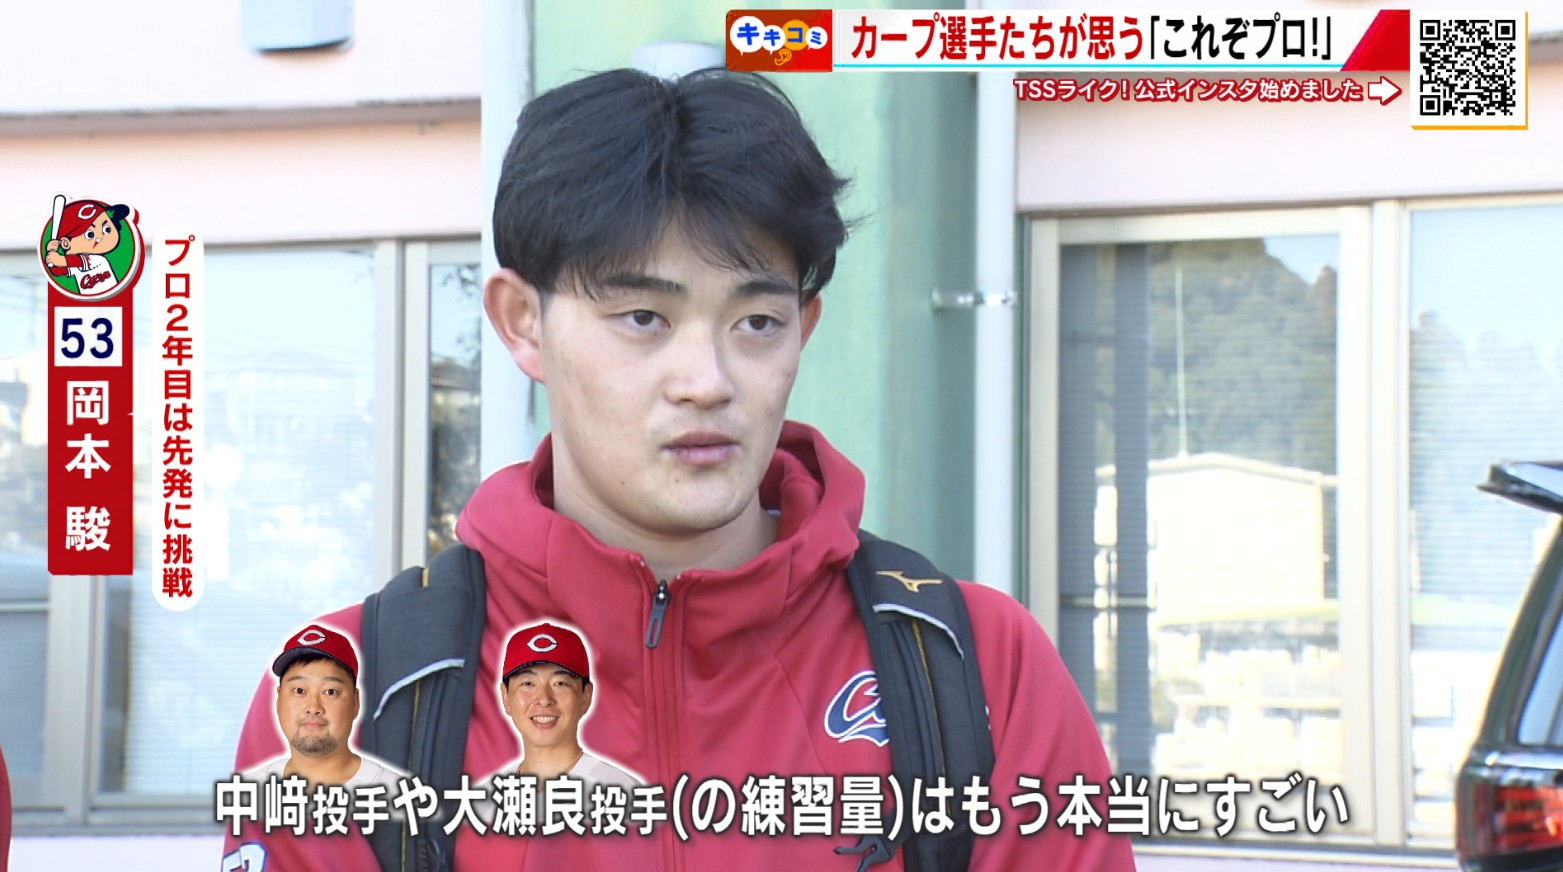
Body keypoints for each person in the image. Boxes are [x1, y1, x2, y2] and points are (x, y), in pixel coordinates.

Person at [233, 68, 1136, 870]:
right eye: (643, 318)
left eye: (756, 323)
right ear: (520, 323)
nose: (707, 381)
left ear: (803, 330)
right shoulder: (349, 693)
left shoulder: (978, 668)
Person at [222, 625, 406, 871]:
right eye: (299, 691)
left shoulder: (394, 798)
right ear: (278, 700)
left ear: (355, 703)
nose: (313, 707)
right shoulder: (250, 793)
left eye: (330, 691)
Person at [494, 622, 639, 790]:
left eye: (560, 683)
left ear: (585, 696)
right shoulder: (485, 798)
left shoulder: (621, 792)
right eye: (528, 683)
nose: (544, 699)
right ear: (506, 697)